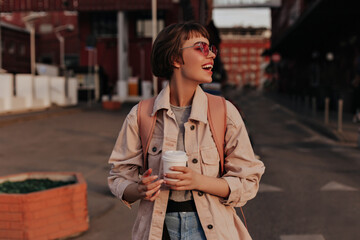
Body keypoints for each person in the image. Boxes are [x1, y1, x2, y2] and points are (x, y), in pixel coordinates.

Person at [108, 21, 265, 240]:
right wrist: (140, 190)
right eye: (201, 48)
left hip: (213, 231)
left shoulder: (224, 112)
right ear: (176, 59)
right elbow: (119, 176)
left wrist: (198, 181)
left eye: (211, 49)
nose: (210, 55)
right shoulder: (142, 114)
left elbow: (248, 180)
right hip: (159, 230)